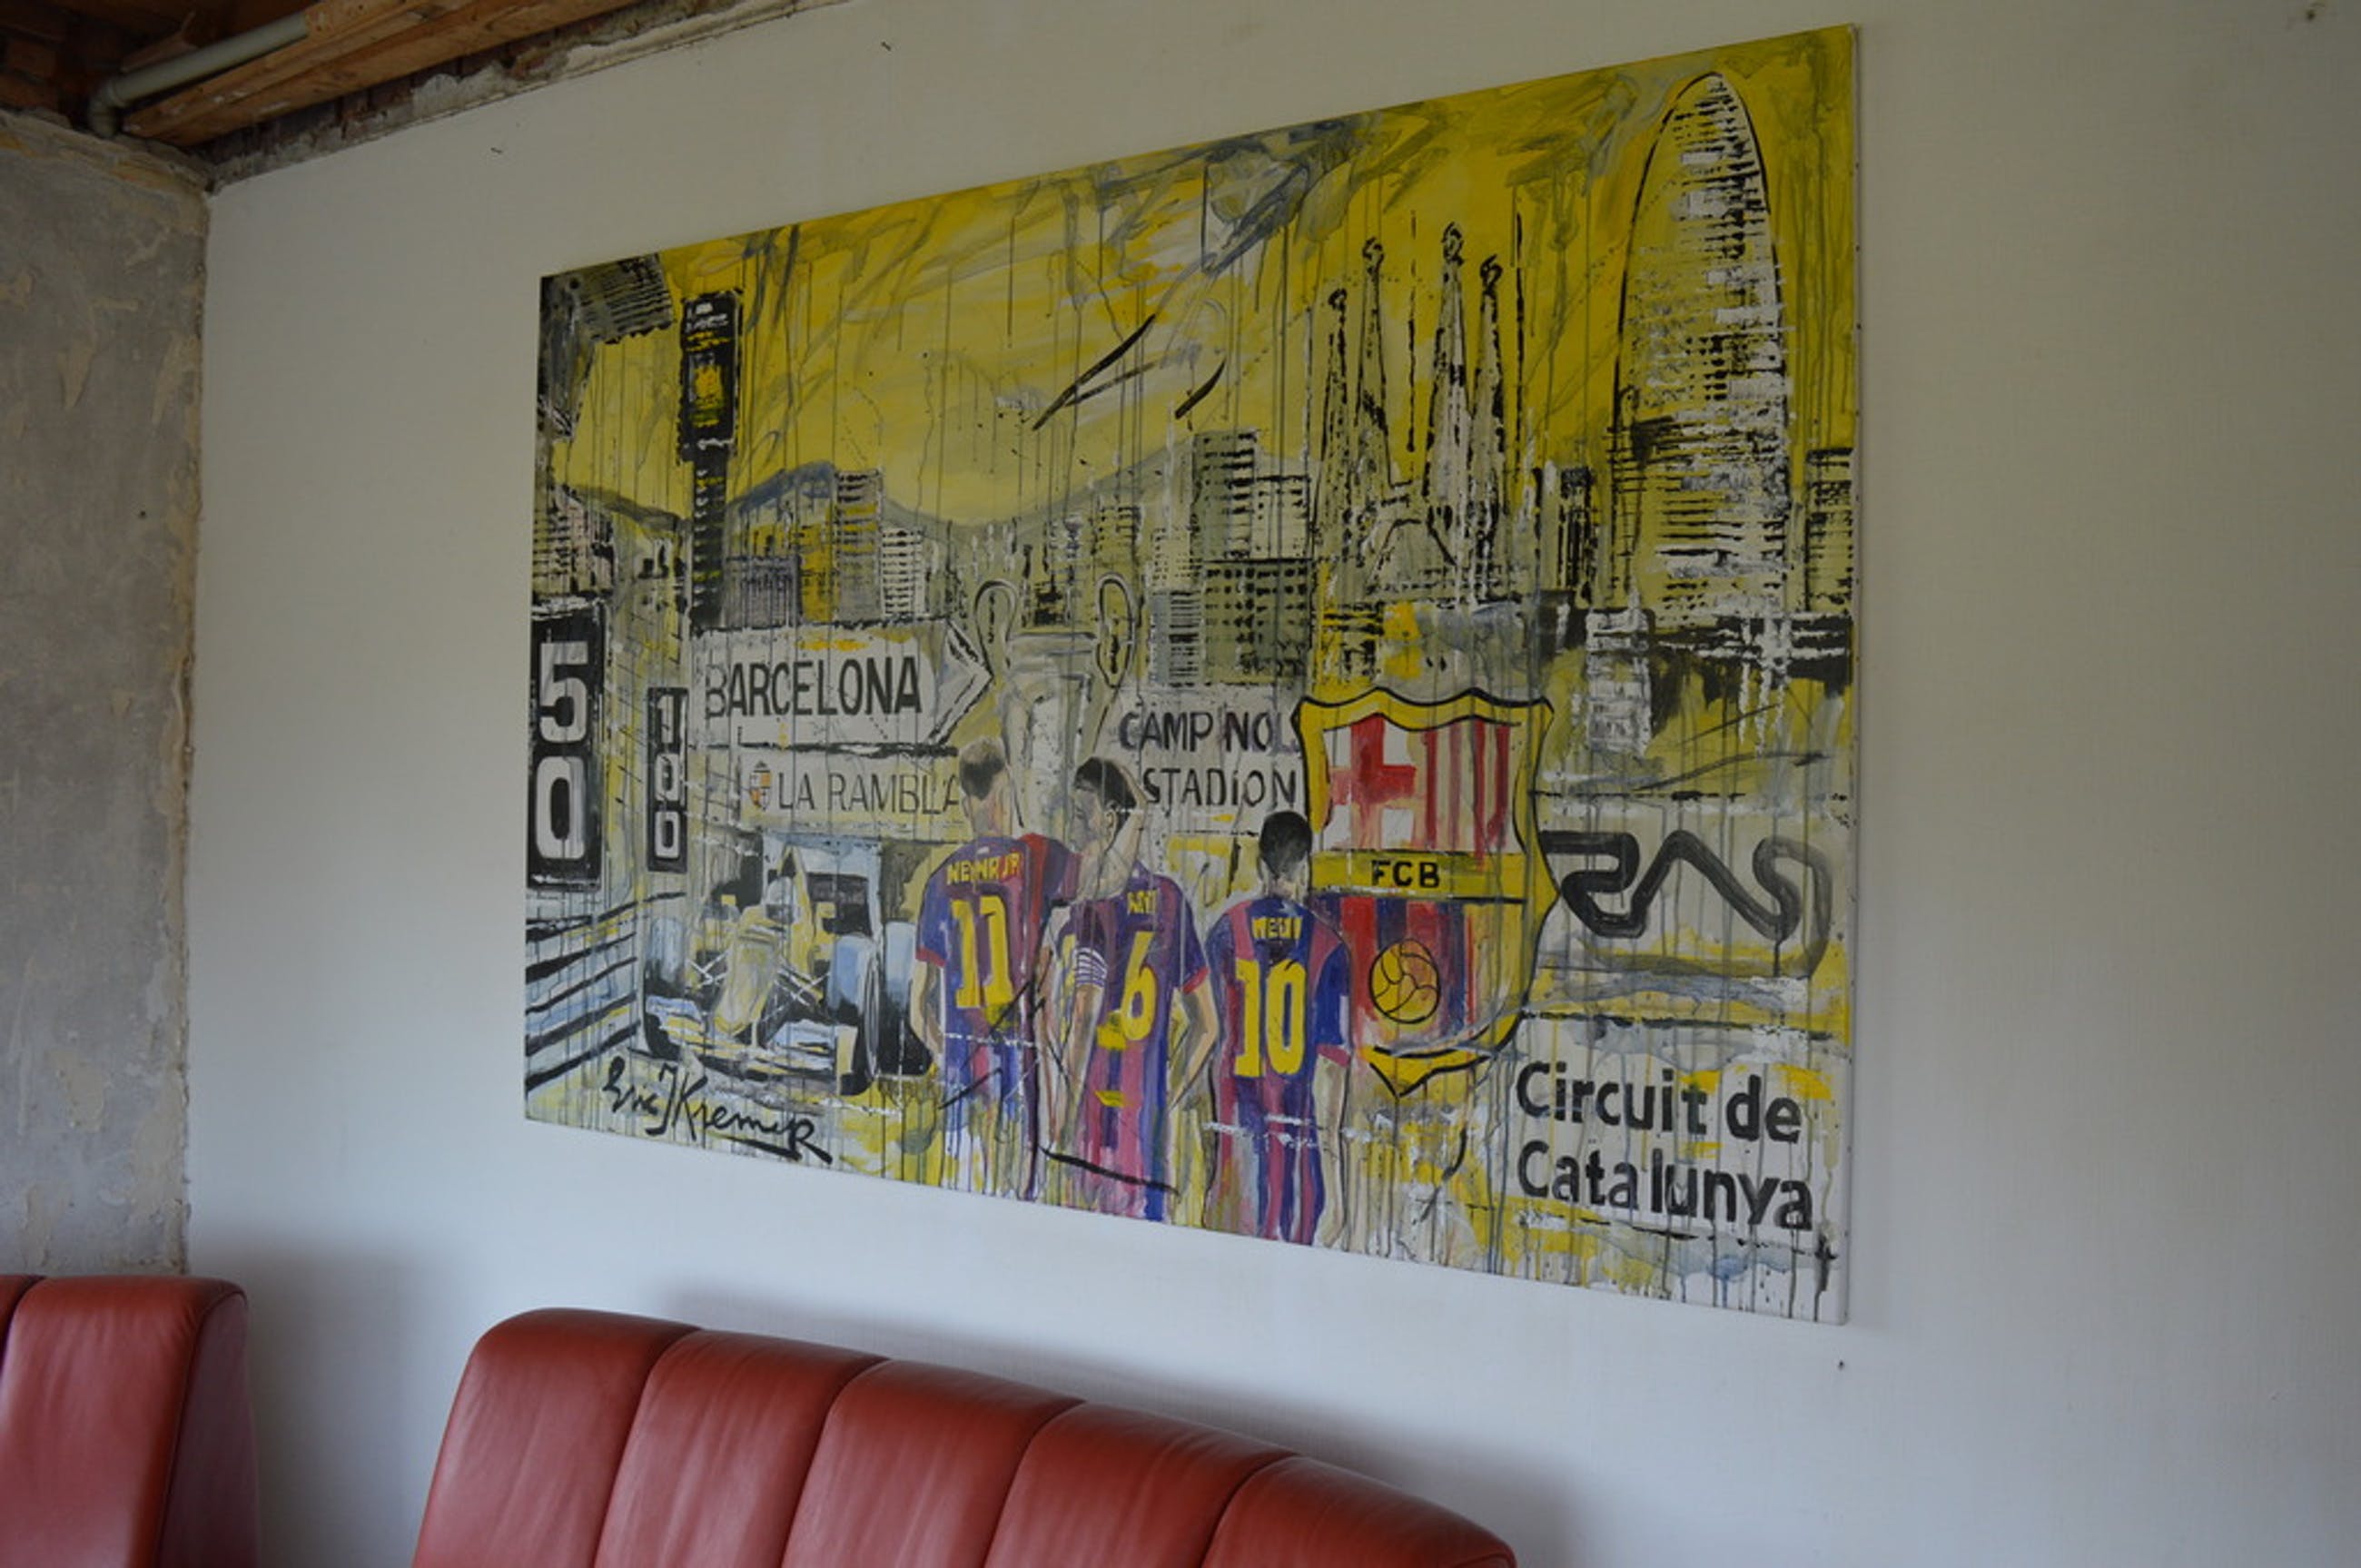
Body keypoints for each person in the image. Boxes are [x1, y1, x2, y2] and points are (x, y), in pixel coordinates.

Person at [1043, 758, 1215, 1221]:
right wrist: (1167, 1094)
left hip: (1091, 1127)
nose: (1073, 826)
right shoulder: (1170, 899)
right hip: (1147, 1136)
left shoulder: (1088, 908)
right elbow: (1207, 1026)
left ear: (1110, 820)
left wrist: (1062, 1127)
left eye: (1081, 814)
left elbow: (1083, 1019)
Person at [911, 740, 1076, 1198]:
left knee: (961, 1206)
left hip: (963, 1089)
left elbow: (917, 1011)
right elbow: (1103, 879)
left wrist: (948, 1056)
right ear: (1007, 794)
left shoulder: (939, 882)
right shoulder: (1036, 860)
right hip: (1020, 1085)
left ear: (967, 804)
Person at [1190, 810, 1356, 1244]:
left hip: (1236, 1163)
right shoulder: (1329, 948)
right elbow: (1331, 1074)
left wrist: (1212, 1168)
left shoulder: (1225, 932)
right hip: (1301, 1173)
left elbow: (1213, 1054)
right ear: (1305, 867)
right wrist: (1338, 1191)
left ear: (1260, 865)